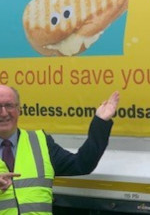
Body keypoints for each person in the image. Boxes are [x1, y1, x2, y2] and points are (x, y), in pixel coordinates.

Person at [0, 85, 119, 214]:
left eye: (9, 105)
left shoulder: (40, 142)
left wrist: (100, 122)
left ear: (19, 109)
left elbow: (82, 164)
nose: (4, 112)